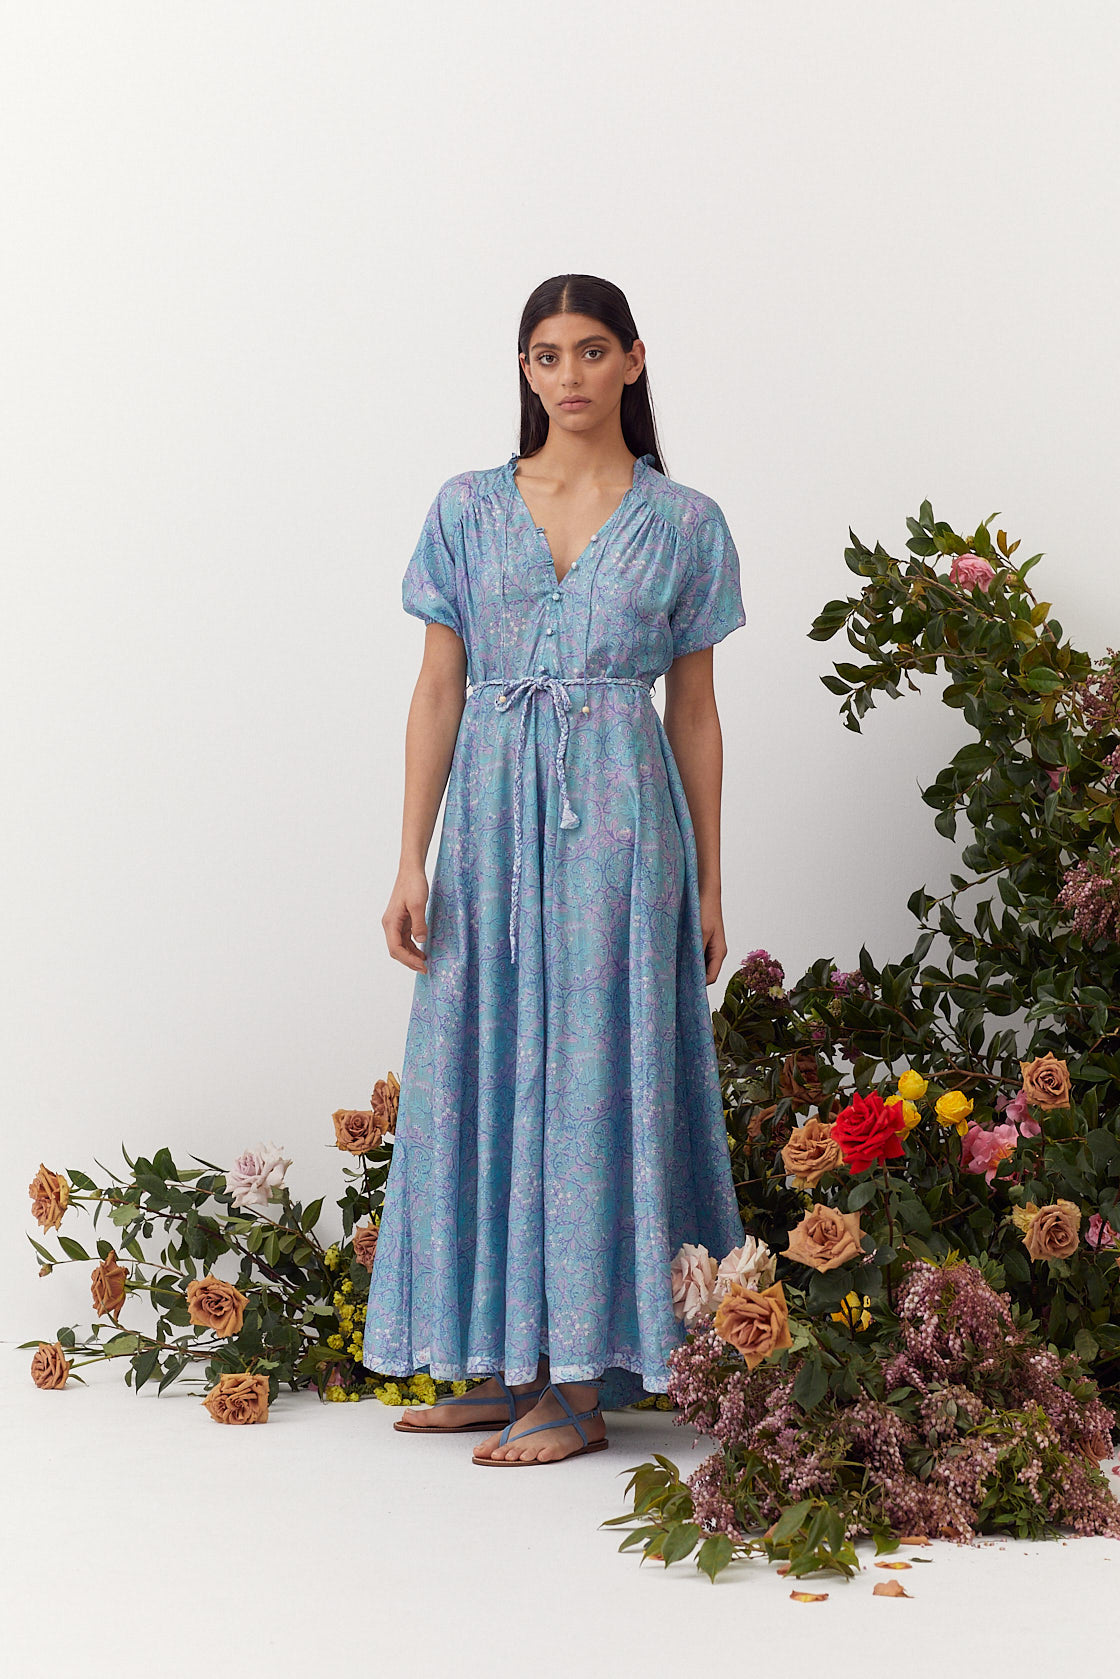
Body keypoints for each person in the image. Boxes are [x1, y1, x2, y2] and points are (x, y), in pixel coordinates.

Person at [362, 273, 747, 1466]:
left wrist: (710, 882)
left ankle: (579, 1381)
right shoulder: (468, 507)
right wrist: (409, 855)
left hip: (622, 834)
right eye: (544, 354)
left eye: (589, 350)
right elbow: (438, 688)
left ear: (633, 359)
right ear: (524, 369)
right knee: (476, 1065)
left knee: (593, 1080)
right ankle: (503, 1359)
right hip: (487, 828)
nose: (567, 375)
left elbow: (694, 713)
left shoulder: (684, 522)